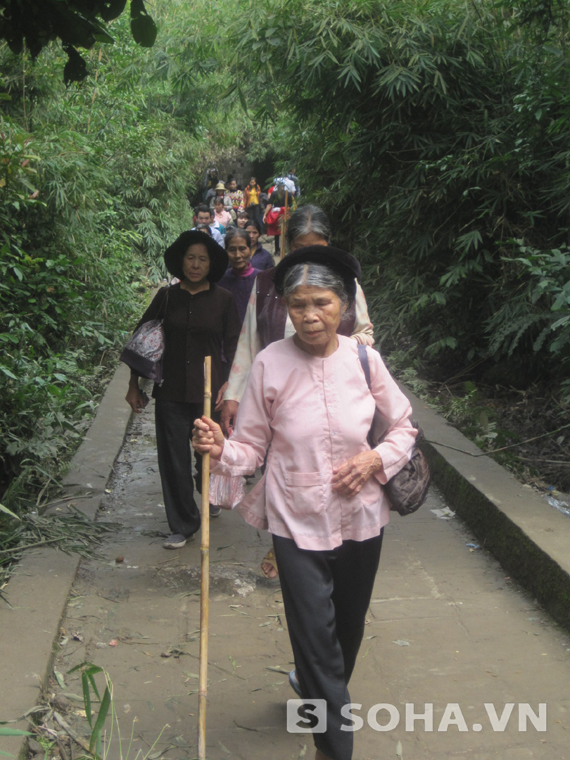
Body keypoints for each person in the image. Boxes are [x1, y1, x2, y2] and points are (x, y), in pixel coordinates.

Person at [192, 246, 417, 760]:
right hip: (294, 520)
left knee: (348, 630)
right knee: (315, 639)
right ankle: (334, 747)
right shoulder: (270, 364)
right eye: (298, 305)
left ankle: (323, 705)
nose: (310, 316)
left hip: (362, 518)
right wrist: (219, 448)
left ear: (343, 306)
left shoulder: (365, 360)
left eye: (321, 303)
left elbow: (404, 427)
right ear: (286, 308)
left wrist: (374, 461)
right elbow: (248, 447)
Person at [125, 230, 240, 548]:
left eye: (202, 259)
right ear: (181, 261)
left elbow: (234, 348)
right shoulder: (166, 297)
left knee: (208, 453)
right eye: (190, 257)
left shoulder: (224, 300)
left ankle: (208, 492)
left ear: (210, 264)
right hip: (171, 390)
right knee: (173, 458)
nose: (195, 264)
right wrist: (134, 385)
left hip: (211, 393)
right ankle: (183, 524)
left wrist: (232, 388)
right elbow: (142, 341)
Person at [218, 229, 259, 325]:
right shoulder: (220, 281)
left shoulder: (262, 279)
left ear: (250, 249)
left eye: (242, 249)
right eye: (232, 250)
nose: (237, 255)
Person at [263, 182, 288, 256]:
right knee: (285, 231)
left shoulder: (274, 193)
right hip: (286, 213)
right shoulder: (288, 194)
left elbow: (269, 204)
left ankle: (277, 250)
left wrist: (265, 214)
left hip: (277, 214)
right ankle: (285, 249)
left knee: (277, 233)